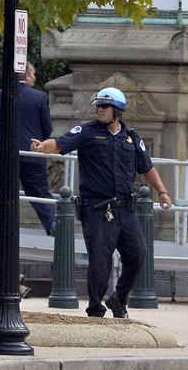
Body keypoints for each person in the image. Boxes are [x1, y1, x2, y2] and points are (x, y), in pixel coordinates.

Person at [30, 87, 172, 319]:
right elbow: (60, 143)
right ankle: (95, 310)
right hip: (97, 209)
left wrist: (163, 192)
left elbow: (147, 167)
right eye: (98, 106)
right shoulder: (87, 132)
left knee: (138, 254)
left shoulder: (132, 137)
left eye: (104, 106)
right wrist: (41, 147)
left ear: (117, 110)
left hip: (125, 209)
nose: (99, 110)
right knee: (100, 261)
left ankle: (119, 299)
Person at [0, 61, 56, 236]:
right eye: (33, 74)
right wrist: (38, 142)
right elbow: (47, 128)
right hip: (32, 152)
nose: (35, 78)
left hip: (4, 153)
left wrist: (6, 138)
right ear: (26, 76)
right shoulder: (39, 97)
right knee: (39, 193)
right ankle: (53, 225)